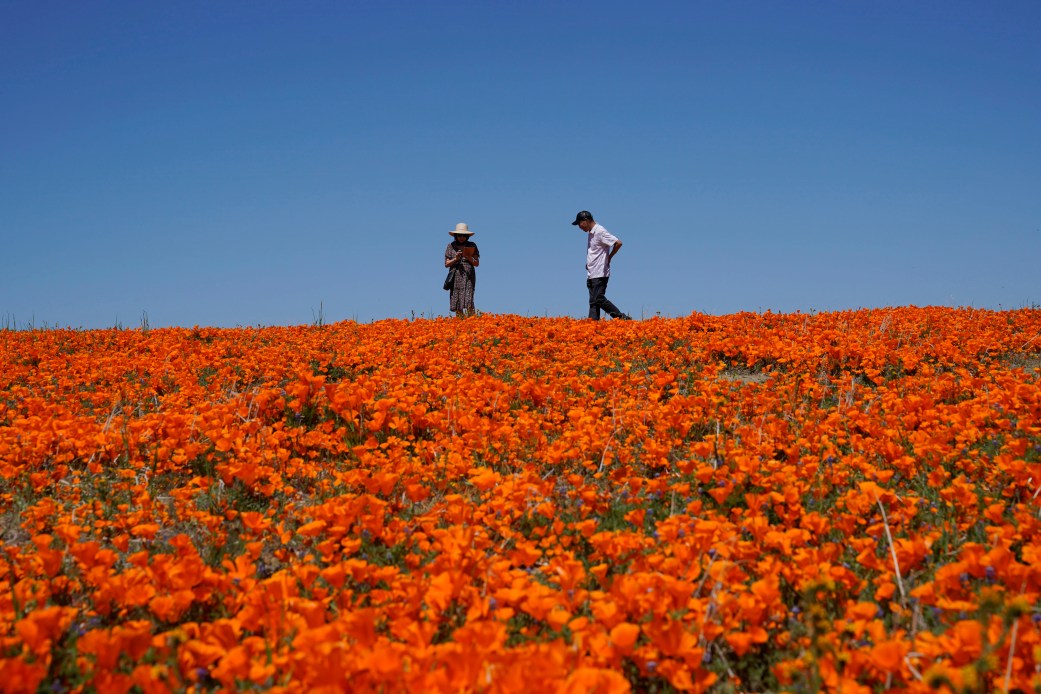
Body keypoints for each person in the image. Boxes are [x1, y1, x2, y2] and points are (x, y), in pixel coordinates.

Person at [572, 210, 631, 320]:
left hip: (600, 272)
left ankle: (621, 318)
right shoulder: (591, 233)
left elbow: (618, 243)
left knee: (598, 298)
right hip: (591, 272)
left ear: (586, 220)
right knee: (593, 301)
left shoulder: (600, 231)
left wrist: (609, 257)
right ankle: (593, 325)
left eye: (579, 223)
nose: (579, 227)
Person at [444, 222, 480, 317]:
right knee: (457, 298)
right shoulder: (450, 246)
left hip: (468, 276)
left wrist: (468, 257)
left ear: (467, 236)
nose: (462, 237)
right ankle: (460, 321)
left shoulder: (472, 245)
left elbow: (476, 263)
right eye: (459, 235)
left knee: (468, 298)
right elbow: (446, 264)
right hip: (456, 276)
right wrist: (455, 258)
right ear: (456, 235)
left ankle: (472, 320)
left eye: (464, 235)